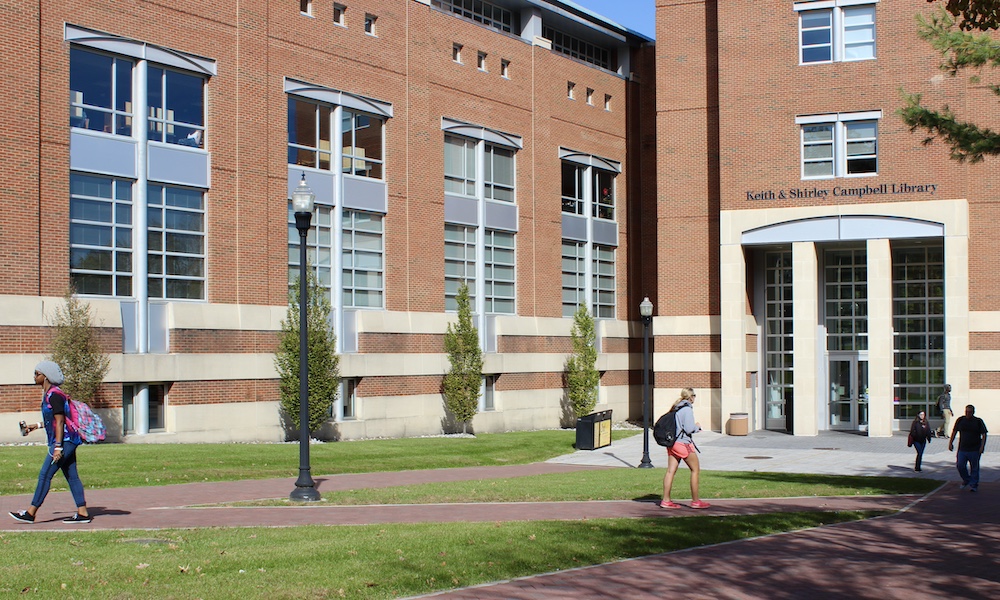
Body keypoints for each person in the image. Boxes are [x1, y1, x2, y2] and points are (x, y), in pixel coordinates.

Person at [8, 361, 92, 524]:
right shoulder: (50, 394)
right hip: (67, 440)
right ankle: (83, 513)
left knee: (45, 474)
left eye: (37, 374)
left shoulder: (55, 395)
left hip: (64, 441)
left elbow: (60, 422)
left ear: (45, 377)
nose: (34, 376)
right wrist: (35, 426)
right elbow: (52, 420)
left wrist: (58, 447)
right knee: (72, 476)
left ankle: (30, 513)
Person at [660, 388, 710, 509]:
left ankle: (666, 500)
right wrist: (697, 427)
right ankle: (695, 501)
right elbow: (689, 428)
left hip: (672, 443)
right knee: (695, 470)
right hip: (683, 444)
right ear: (691, 397)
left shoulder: (676, 407)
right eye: (694, 396)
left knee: (670, 471)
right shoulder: (687, 409)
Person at [948, 404, 988, 493]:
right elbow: (954, 431)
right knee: (960, 465)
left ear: (973, 412)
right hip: (962, 448)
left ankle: (973, 485)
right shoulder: (960, 420)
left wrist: (982, 446)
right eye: (966, 412)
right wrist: (950, 443)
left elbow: (984, 434)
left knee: (974, 467)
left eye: (970, 412)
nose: (968, 414)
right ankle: (967, 479)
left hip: (974, 449)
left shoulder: (978, 421)